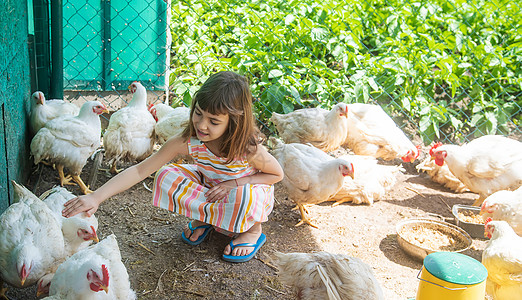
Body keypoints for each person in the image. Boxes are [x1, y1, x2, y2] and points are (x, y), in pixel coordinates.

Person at [62, 71, 284, 262]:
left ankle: (253, 230)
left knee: (242, 195)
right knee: (167, 175)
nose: (202, 125)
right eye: (198, 113)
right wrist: (96, 197)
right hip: (212, 187)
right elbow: (141, 170)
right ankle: (210, 219)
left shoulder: (246, 148)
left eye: (214, 121)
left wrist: (235, 182)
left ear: (234, 121)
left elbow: (276, 174)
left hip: (245, 189)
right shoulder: (188, 141)